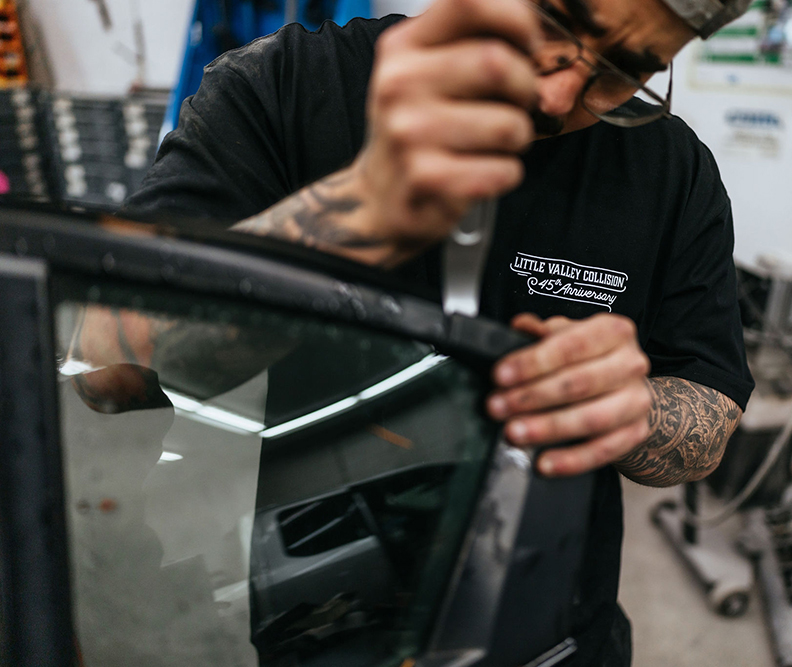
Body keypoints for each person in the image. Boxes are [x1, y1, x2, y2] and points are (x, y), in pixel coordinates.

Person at [121, 0, 756, 663]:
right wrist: (351, 216)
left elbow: (709, 410)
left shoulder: (674, 171)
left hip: (554, 634)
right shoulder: (286, 89)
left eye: (624, 67)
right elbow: (109, 372)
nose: (558, 94)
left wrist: (635, 414)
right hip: (323, 614)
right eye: (555, 19)